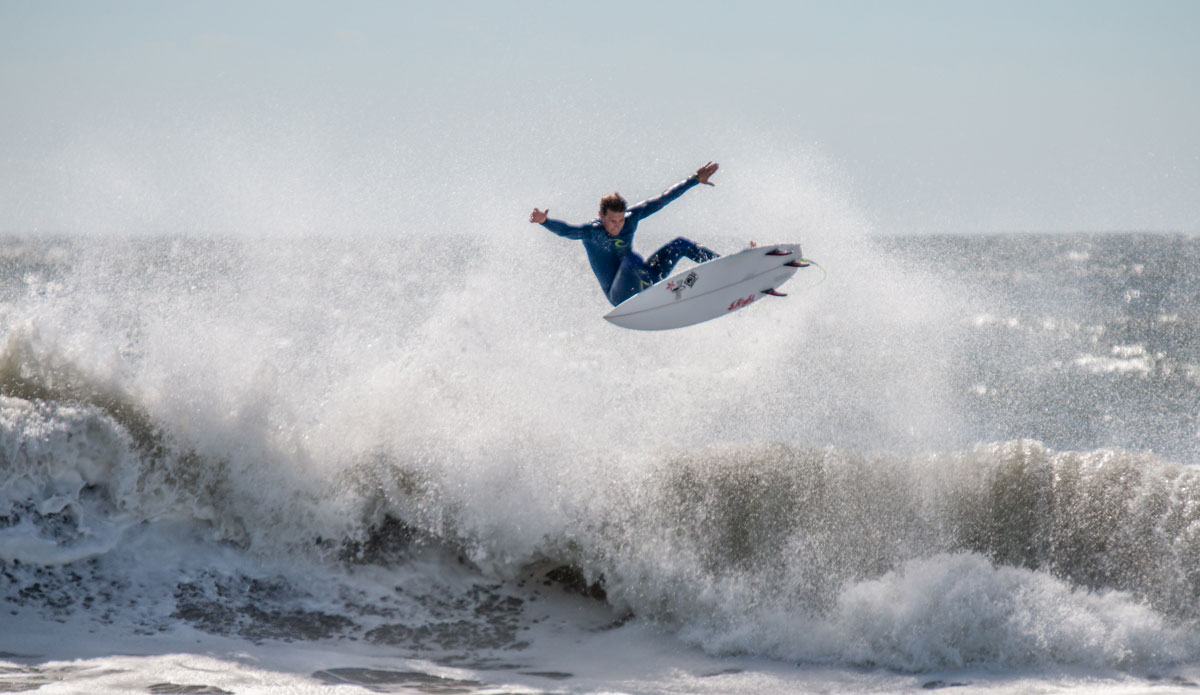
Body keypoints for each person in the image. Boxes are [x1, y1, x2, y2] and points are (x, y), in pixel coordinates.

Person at [530, 162, 722, 306]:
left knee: (680, 244)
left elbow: (663, 199)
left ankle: (725, 265)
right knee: (630, 259)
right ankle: (653, 292)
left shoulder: (631, 218)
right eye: (612, 221)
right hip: (620, 296)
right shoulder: (592, 232)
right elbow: (567, 231)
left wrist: (694, 180)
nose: (618, 226)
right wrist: (544, 221)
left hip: (644, 280)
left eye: (621, 220)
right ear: (601, 216)